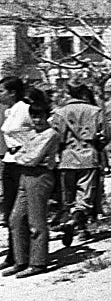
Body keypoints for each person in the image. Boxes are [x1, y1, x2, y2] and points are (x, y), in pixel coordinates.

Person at [3, 99, 61, 279]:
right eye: (34, 117)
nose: (37, 120)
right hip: (25, 176)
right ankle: (21, 260)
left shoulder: (51, 134)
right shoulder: (32, 133)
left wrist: (22, 157)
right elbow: (20, 153)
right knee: (16, 219)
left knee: (36, 221)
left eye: (40, 116)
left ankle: (38, 262)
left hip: (40, 176)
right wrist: (22, 156)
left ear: (47, 116)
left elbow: (33, 158)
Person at [52, 83, 106, 246]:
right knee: (85, 197)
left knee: (69, 197)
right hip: (89, 156)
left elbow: (56, 137)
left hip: (67, 157)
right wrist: (97, 147)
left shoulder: (60, 112)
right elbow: (106, 135)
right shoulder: (95, 111)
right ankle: (78, 225)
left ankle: (74, 223)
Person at [2, 76, 36, 269]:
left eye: (2, 91)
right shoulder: (9, 111)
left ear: (12, 92)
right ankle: (13, 253)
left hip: (22, 162)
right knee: (9, 210)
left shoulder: (25, 109)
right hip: (10, 160)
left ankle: (23, 254)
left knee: (20, 211)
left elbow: (39, 131)